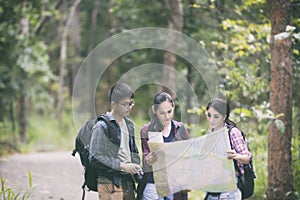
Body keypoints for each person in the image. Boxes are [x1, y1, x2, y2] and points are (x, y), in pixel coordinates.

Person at [89, 83, 142, 200]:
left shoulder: (129, 125)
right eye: (125, 104)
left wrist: (136, 170)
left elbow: (133, 152)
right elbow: (94, 158)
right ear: (113, 104)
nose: (129, 107)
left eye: (131, 103)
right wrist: (122, 166)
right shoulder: (102, 126)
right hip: (109, 182)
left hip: (128, 182)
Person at [137, 92, 190, 200]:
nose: (167, 117)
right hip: (153, 185)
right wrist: (148, 160)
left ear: (173, 107)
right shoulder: (146, 130)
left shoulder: (180, 129)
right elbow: (145, 161)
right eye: (162, 113)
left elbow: (189, 156)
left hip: (174, 186)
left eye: (169, 112)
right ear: (154, 110)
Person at [204, 98, 251, 200]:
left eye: (216, 116)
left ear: (224, 117)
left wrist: (236, 156)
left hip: (229, 189)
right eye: (209, 115)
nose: (211, 120)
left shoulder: (232, 132)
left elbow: (247, 158)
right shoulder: (210, 134)